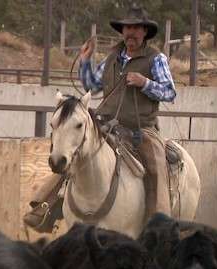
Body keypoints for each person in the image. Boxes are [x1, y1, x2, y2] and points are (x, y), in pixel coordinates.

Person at [23, 4, 177, 233]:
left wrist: (144, 83)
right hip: (107, 124)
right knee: (75, 153)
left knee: (155, 165)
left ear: (145, 32)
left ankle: (158, 228)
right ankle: (45, 208)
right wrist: (85, 61)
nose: (130, 33)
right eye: (126, 28)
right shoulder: (113, 57)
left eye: (135, 28)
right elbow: (93, 85)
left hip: (142, 128)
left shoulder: (156, 59)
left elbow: (169, 92)